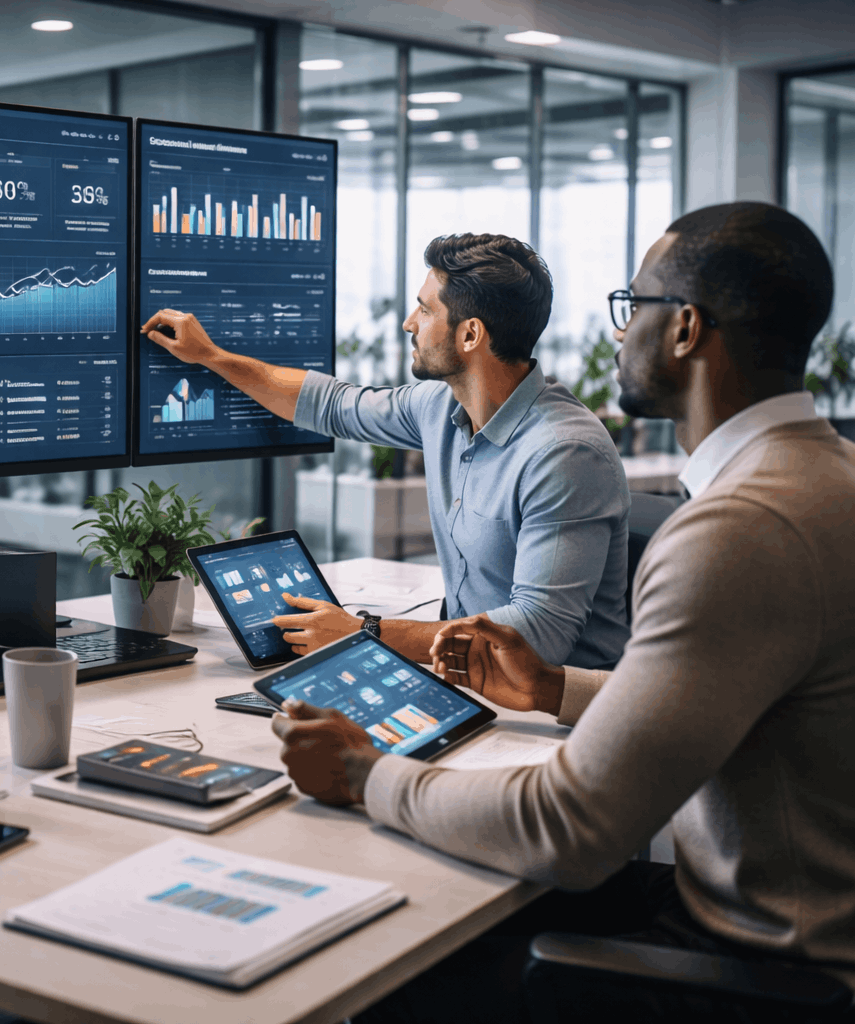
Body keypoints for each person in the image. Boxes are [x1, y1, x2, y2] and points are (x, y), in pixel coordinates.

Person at [271, 202, 855, 1021]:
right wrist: (555, 690)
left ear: (685, 329)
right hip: (772, 928)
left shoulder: (742, 529)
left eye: (634, 305)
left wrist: (367, 774)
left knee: (375, 980)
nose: (618, 333)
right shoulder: (824, 482)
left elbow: (571, 828)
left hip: (760, 967)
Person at [143, 233, 629, 669]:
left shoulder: (564, 454)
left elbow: (537, 638)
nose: (408, 322)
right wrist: (210, 356)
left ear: (470, 334)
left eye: (426, 309)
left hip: (555, 721)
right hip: (469, 680)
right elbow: (332, 404)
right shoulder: (440, 406)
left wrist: (365, 633)